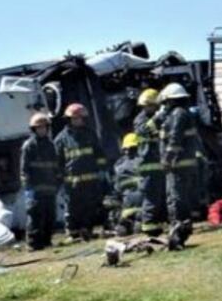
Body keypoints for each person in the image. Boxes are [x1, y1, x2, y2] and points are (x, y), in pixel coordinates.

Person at [54, 103, 109, 242]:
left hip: (90, 180)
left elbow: (99, 153)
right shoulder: (61, 139)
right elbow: (57, 161)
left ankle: (87, 231)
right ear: (69, 119)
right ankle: (73, 233)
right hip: (72, 182)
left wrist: (103, 170)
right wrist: (59, 177)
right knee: (72, 208)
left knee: (89, 207)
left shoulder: (90, 134)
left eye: (81, 118)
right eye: (75, 118)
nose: (79, 120)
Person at [159, 83, 200, 250]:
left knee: (176, 199)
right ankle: (180, 233)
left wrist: (167, 159)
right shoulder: (182, 113)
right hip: (182, 164)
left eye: (166, 102)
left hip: (177, 165)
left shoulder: (178, 114)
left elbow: (174, 140)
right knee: (178, 198)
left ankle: (178, 234)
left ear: (171, 100)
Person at [19, 112, 60, 250]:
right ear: (34, 129)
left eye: (44, 127)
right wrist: (28, 188)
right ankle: (33, 243)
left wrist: (57, 182)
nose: (42, 130)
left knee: (50, 215)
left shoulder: (50, 145)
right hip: (35, 190)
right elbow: (24, 170)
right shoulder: (29, 146)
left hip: (50, 188)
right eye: (39, 128)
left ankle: (47, 241)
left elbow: (55, 165)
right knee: (35, 216)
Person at [133, 88, 167, 235]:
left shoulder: (158, 118)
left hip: (158, 162)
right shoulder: (140, 119)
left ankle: (157, 222)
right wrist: (157, 118)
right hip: (147, 164)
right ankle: (148, 225)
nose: (148, 108)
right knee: (151, 194)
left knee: (160, 194)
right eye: (146, 106)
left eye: (150, 105)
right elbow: (144, 130)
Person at [111, 133, 143, 236]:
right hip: (144, 208)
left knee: (123, 229)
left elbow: (117, 190)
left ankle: (125, 225)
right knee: (140, 227)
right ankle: (136, 224)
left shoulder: (119, 166)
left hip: (126, 210)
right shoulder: (143, 161)